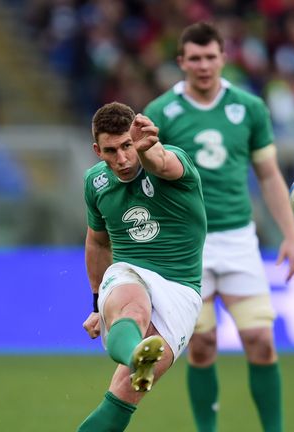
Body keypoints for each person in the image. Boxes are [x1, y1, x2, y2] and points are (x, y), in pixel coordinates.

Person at [144, 22, 294, 432]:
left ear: (223, 58)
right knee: (201, 345)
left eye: (210, 56)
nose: (203, 65)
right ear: (181, 62)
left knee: (261, 343)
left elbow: (268, 175)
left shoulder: (249, 108)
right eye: (194, 58)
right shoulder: (161, 113)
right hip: (187, 246)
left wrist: (291, 233)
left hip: (237, 240)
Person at [78, 102, 207, 431]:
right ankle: (137, 354)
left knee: (123, 395)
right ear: (97, 150)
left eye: (127, 146)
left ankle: (136, 355)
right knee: (134, 309)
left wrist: (147, 148)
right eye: (111, 150)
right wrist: (97, 304)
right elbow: (97, 241)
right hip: (129, 273)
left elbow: (160, 163)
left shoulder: (172, 160)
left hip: (181, 291)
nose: (121, 159)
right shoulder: (95, 183)